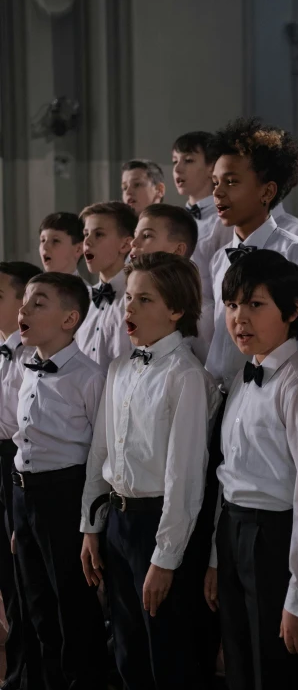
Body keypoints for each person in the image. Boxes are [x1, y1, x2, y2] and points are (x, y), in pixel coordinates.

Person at [80, 252, 221, 690]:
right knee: (128, 651)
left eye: (144, 300)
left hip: (161, 526)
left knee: (170, 654)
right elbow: (100, 454)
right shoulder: (121, 367)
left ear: (176, 310)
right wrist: (91, 525)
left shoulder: (187, 377)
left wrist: (164, 559)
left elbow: (186, 479)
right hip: (119, 522)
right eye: (128, 298)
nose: (129, 308)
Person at [204, 250, 298, 689]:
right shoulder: (243, 375)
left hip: (278, 539)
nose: (239, 318)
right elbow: (229, 474)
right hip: (234, 532)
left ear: (293, 310)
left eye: (255, 305)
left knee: (276, 666)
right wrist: (219, 558)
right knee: (238, 658)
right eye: (232, 305)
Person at [12, 272, 107, 690]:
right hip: (25, 492)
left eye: (38, 303)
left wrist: (90, 520)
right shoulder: (25, 366)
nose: (24, 310)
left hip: (65, 493)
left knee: (73, 604)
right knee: (37, 605)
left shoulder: (88, 376)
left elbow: (100, 453)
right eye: (25, 302)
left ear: (70, 319)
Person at [205, 116, 298, 394]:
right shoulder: (220, 258)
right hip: (224, 399)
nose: (218, 193)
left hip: (278, 394)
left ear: (267, 191)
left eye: (231, 182)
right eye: (215, 183)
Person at [0, 262, 42, 689]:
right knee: (6, 579)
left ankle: (27, 674)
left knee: (22, 580)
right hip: (5, 463)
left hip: (20, 460)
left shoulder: (34, 356)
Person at [130, 203, 213, 364]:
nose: (133, 243)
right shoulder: (130, 304)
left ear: (178, 250)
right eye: (135, 234)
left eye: (146, 236)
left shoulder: (205, 314)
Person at [76, 201, 137, 373]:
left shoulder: (137, 299)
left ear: (125, 245)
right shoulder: (82, 299)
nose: (87, 242)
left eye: (99, 234)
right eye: (85, 234)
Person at [172, 131, 233, 298]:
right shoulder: (172, 220)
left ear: (211, 167)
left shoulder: (224, 220)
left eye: (188, 160)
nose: (177, 169)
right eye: (175, 161)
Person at [38, 212, 85, 276]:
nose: (44, 247)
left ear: (78, 249)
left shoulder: (83, 286)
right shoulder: (32, 285)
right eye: (43, 240)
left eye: (55, 241)